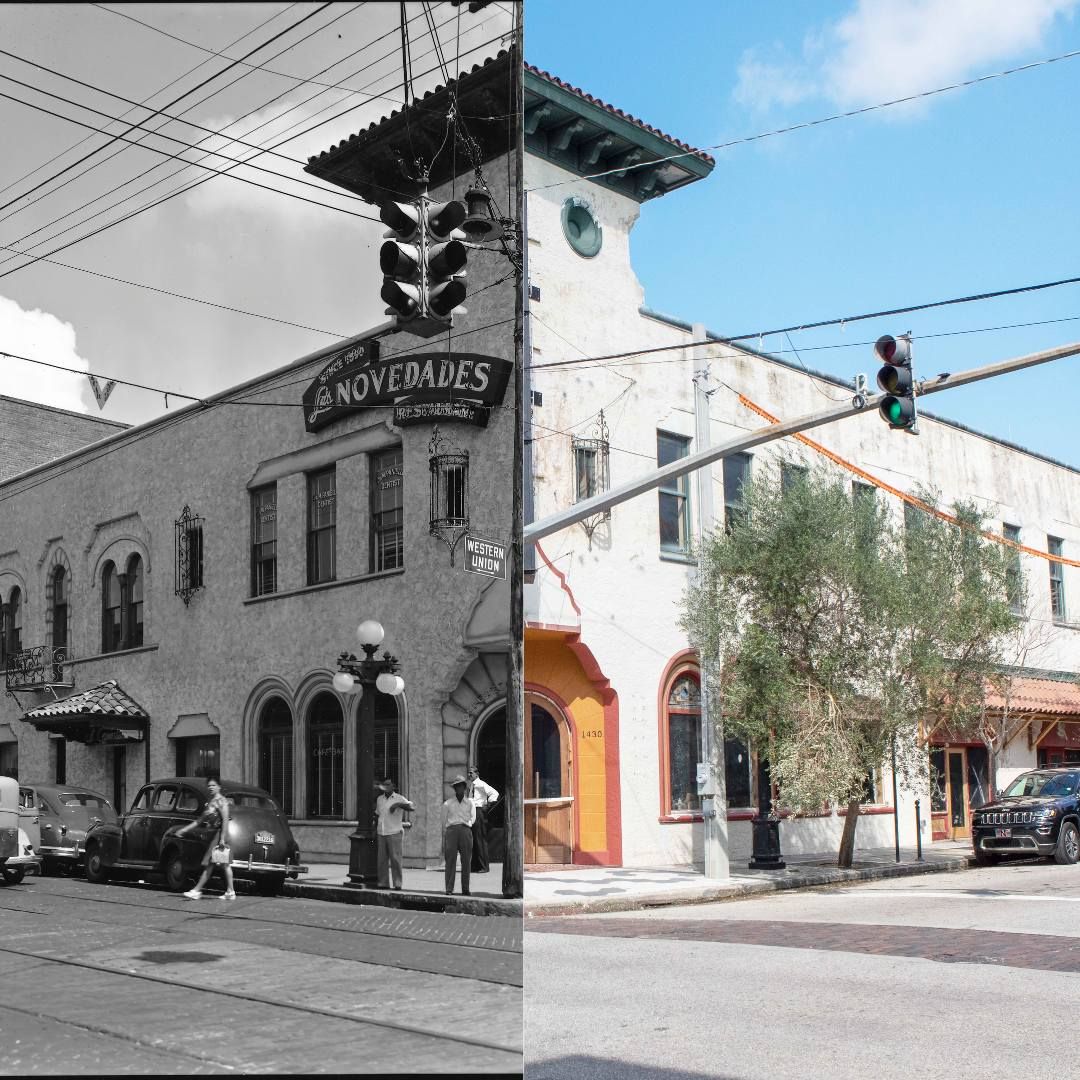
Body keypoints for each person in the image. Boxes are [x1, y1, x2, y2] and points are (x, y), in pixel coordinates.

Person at [177, 775, 235, 900]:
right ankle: (230, 891)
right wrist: (184, 829)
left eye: (213, 785)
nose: (211, 788)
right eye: (209, 786)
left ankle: (196, 890)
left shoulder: (222, 801)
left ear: (219, 787)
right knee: (224, 864)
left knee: (210, 863)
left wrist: (222, 839)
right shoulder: (211, 803)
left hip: (220, 834)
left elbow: (225, 820)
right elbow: (199, 821)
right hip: (215, 834)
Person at [375, 777, 415, 890]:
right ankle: (383, 883)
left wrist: (397, 805)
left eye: (389, 784)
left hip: (394, 832)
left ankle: (397, 883)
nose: (386, 786)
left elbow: (412, 807)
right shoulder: (379, 799)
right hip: (381, 832)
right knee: (382, 860)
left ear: (393, 786)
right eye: (384, 784)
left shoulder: (399, 798)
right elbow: (378, 814)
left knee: (395, 859)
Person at [441, 774, 475, 895]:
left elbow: (473, 818)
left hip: (465, 830)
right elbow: (443, 820)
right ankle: (449, 888)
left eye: (461, 786)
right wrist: (449, 832)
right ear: (454, 789)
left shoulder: (470, 803)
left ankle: (465, 888)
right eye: (456, 786)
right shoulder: (447, 804)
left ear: (465, 788)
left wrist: (467, 825)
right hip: (452, 831)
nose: (459, 788)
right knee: (450, 860)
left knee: (466, 861)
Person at [468, 765, 499, 873]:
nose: (469, 775)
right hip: (472, 812)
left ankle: (484, 866)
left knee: (480, 838)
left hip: (478, 811)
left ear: (477, 774)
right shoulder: (472, 785)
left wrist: (487, 805)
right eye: (469, 773)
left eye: (471, 773)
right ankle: (475, 866)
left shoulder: (481, 784)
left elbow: (494, 793)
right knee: (474, 839)